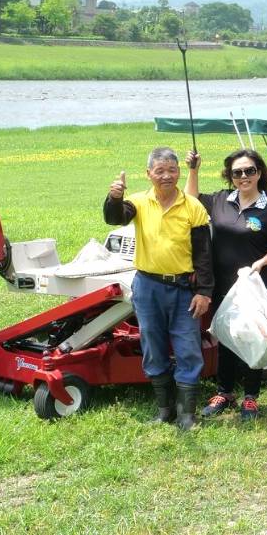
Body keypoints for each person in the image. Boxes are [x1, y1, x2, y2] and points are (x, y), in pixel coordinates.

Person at [104, 146, 214, 430]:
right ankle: (165, 409)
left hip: (182, 290)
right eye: (160, 171)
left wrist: (204, 291)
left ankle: (187, 414)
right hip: (148, 286)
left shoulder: (193, 206)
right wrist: (114, 198)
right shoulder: (138, 202)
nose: (167, 176)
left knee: (188, 347)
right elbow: (115, 217)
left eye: (172, 170)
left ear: (179, 172)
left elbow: (203, 254)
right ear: (149, 174)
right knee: (152, 345)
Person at [185, 148, 267, 423]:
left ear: (259, 173)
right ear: (230, 176)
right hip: (222, 284)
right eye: (237, 172)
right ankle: (224, 392)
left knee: (252, 337)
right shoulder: (220, 200)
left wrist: (260, 262)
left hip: (253, 285)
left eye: (249, 171)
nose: (243, 177)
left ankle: (251, 396)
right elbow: (191, 198)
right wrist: (193, 169)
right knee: (226, 336)